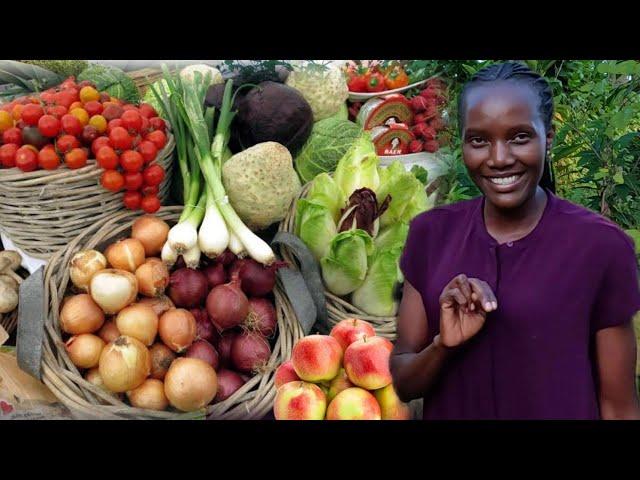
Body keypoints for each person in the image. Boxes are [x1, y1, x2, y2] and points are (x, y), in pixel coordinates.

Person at [390, 61, 640, 420]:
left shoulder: (600, 246)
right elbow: (405, 382)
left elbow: (619, 405)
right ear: (462, 143)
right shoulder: (430, 235)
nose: (499, 158)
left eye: (519, 137)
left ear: (548, 137)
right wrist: (444, 345)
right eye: (479, 140)